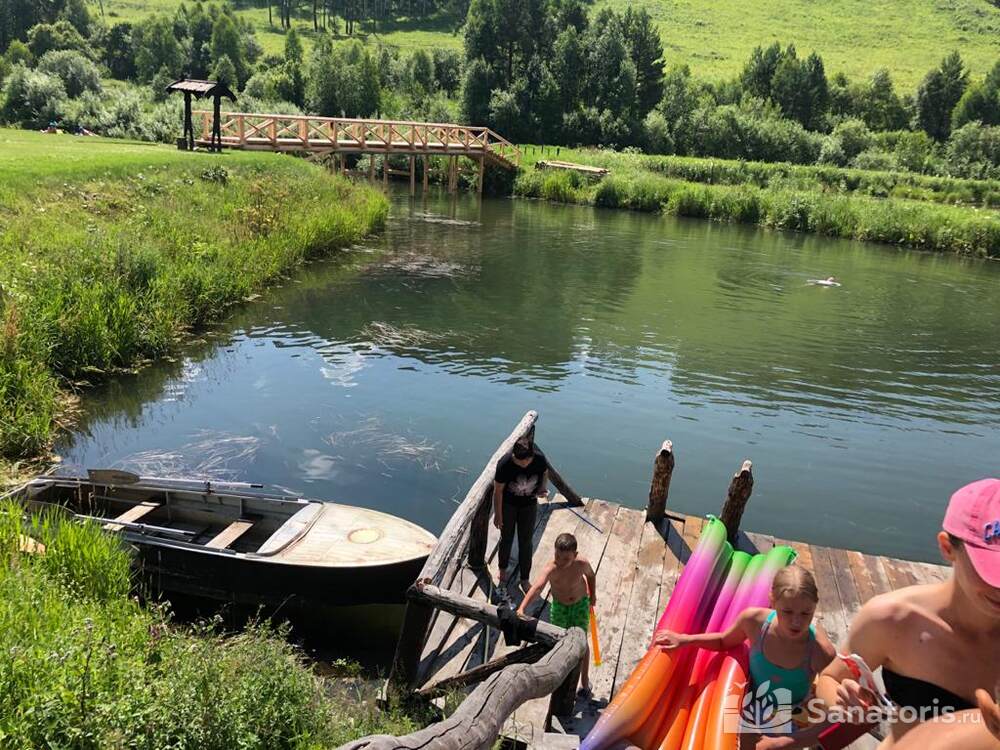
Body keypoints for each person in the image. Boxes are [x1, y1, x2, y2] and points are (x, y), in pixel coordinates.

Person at [816, 478, 1000, 748]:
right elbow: (830, 679)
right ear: (948, 548)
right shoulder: (893, 619)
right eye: (992, 570)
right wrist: (843, 702)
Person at [654, 566, 836, 749]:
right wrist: (685, 639)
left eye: (806, 613)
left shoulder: (819, 650)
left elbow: (837, 715)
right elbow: (723, 641)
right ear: (772, 601)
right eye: (787, 612)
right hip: (752, 698)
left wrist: (784, 742)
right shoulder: (754, 622)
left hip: (792, 709)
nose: (796, 622)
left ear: (815, 607)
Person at [518, 532, 597, 697]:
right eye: (557, 556)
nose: (560, 561)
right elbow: (537, 587)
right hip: (560, 608)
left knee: (582, 642)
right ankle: (560, 678)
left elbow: (591, 576)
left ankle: (584, 680)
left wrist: (593, 595)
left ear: (575, 555)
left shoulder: (582, 563)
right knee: (559, 642)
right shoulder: (551, 569)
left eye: (566, 559)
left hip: (580, 605)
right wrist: (522, 608)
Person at [493, 437, 549, 589]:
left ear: (532, 456)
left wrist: (542, 487)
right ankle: (502, 571)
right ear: (514, 455)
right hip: (508, 506)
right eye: (519, 461)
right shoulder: (505, 464)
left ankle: (525, 578)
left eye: (526, 461)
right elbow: (498, 491)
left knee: (526, 542)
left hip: (529, 505)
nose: (523, 464)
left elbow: (545, 472)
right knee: (506, 538)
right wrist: (498, 514)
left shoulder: (539, 459)